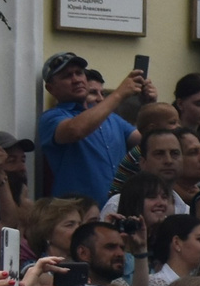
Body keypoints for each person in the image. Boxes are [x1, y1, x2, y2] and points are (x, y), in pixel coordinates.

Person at [36, 52, 151, 201]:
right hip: (77, 214)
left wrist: (149, 105)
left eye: (79, 73)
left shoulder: (111, 118)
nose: (76, 79)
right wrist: (118, 94)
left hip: (117, 210)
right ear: (51, 88)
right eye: (67, 76)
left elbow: (148, 142)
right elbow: (75, 130)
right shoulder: (51, 118)